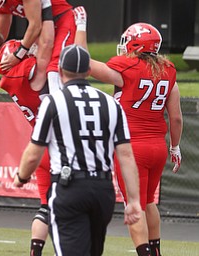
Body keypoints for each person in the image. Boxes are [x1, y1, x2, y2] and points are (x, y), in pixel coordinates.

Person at [73, 6, 183, 256]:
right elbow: (175, 118)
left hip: (132, 148)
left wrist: (80, 27)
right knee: (148, 202)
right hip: (157, 148)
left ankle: (143, 253)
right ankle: (155, 252)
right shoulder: (168, 73)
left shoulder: (127, 71)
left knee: (135, 205)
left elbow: (84, 64)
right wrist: (175, 146)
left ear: (135, 46)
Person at [14, 44, 142, 256]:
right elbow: (126, 155)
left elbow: (34, 151)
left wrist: (21, 177)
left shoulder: (54, 101)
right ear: (89, 71)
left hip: (69, 187)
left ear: (61, 71)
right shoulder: (111, 103)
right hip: (102, 190)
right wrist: (134, 200)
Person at [0, 39, 50, 256]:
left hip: (40, 146)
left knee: (45, 208)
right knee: (71, 210)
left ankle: (35, 252)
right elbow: (45, 58)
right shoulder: (26, 70)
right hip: (59, 145)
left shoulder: (11, 80)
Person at [0, 0, 77, 93]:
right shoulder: (3, 4)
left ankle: (61, 106)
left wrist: (18, 54)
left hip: (62, 19)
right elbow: (0, 35)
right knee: (51, 68)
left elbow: (35, 26)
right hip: (45, 27)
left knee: (55, 67)